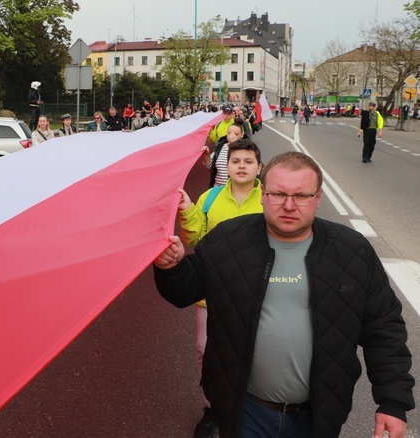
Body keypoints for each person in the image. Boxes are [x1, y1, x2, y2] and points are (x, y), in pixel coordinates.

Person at [152, 151, 414, 438]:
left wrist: (392, 402)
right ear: (262, 194)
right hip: (244, 411)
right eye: (278, 194)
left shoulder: (352, 251)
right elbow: (185, 291)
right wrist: (173, 268)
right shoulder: (227, 239)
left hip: (318, 415)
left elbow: (384, 328)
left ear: (318, 198)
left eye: (301, 196)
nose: (289, 205)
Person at [177, 139, 264, 438]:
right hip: (212, 288)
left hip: (257, 290)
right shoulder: (210, 198)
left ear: (259, 168)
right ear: (227, 165)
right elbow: (196, 239)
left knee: (252, 349)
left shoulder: (270, 199)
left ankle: (249, 404)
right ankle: (213, 406)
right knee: (205, 349)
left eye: (248, 161)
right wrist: (188, 210)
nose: (241, 166)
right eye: (236, 160)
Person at [204, 121, 245, 188]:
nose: (232, 136)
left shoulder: (246, 149)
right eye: (229, 133)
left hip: (236, 190)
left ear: (242, 135)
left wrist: (234, 143)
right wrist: (206, 155)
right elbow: (210, 166)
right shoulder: (219, 147)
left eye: (236, 134)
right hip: (218, 189)